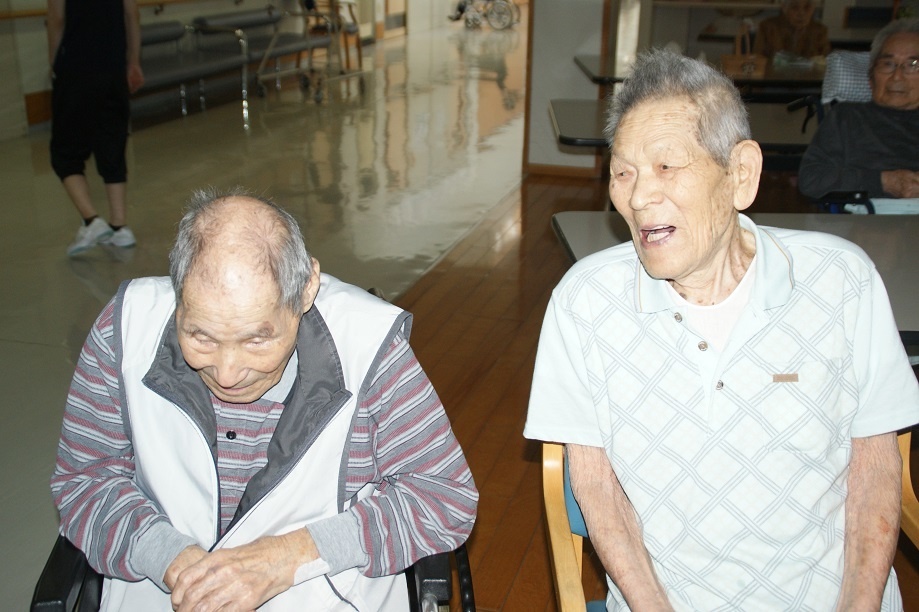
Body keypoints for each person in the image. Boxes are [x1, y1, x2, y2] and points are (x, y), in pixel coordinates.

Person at [525, 49, 919, 610]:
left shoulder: (842, 281)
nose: (638, 197)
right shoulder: (583, 303)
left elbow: (876, 467)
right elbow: (597, 492)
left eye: (666, 167)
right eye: (623, 172)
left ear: (741, 174)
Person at [50, 188, 478, 611]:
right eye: (200, 336)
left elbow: (443, 498)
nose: (228, 373)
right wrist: (177, 564)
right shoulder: (124, 332)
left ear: (306, 290)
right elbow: (85, 482)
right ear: (178, 293)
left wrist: (286, 557)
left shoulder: (369, 347)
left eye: (257, 338)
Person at [47, 0, 145, 257]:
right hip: (113, 70)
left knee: (65, 154)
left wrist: (54, 65)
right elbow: (132, 14)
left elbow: (57, 20)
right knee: (112, 144)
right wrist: (133, 61)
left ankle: (92, 220)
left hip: (75, 71)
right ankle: (120, 226)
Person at [799, 19, 919, 199]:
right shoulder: (846, 117)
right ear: (871, 78)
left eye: (913, 65)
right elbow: (811, 180)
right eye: (888, 64)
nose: (897, 76)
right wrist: (883, 181)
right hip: (867, 220)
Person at [752, 0, 831, 59]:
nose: (801, 13)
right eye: (795, 7)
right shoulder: (767, 27)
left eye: (807, 7)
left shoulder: (820, 30)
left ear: (813, 9)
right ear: (784, 8)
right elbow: (757, 60)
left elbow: (825, 63)